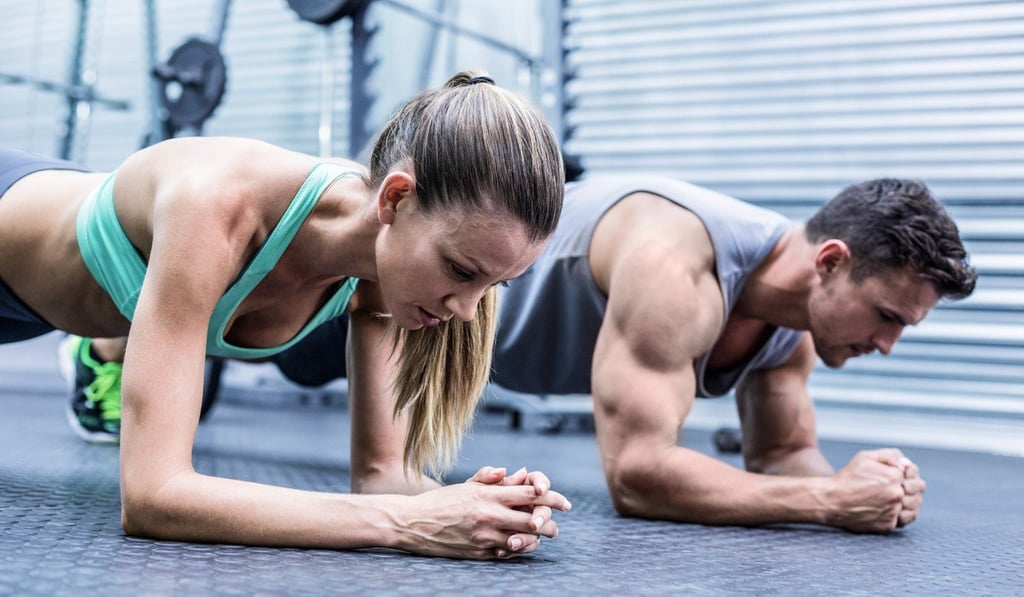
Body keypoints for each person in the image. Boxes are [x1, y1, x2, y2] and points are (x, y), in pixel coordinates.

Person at [0, 71, 572, 559]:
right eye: (461, 270)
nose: (468, 312)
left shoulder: (383, 280)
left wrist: (479, 507)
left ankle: (102, 346)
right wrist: (407, 524)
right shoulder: (216, 205)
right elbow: (154, 496)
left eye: (496, 284)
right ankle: (101, 354)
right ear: (395, 198)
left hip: (55, 300)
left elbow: (382, 478)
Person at [212, 174, 976, 534]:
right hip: (420, 310)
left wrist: (868, 486)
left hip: (476, 351)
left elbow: (785, 452)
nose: (886, 344)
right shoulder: (678, 267)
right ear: (832, 261)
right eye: (886, 316)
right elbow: (640, 476)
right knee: (270, 332)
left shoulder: (796, 324)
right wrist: (828, 500)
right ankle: (123, 334)